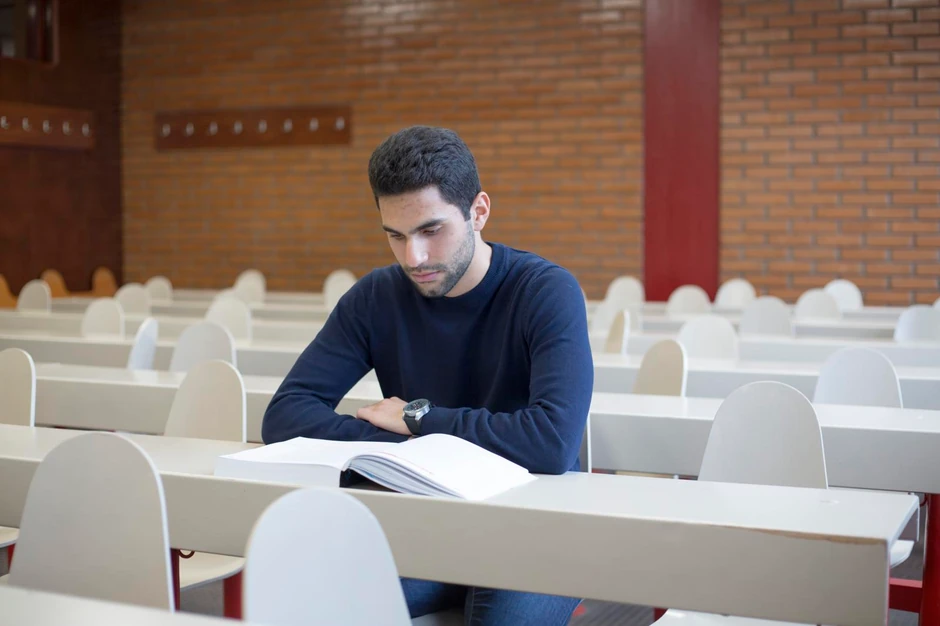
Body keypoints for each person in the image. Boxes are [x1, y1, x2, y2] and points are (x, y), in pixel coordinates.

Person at [262, 125, 593, 625]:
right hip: (426, 522)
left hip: (535, 527)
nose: (413, 258)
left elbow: (550, 443)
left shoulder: (546, 292)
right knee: (320, 601)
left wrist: (418, 418)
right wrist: (408, 453)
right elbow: (285, 415)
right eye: (395, 235)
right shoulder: (375, 298)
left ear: (478, 211)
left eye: (430, 231)